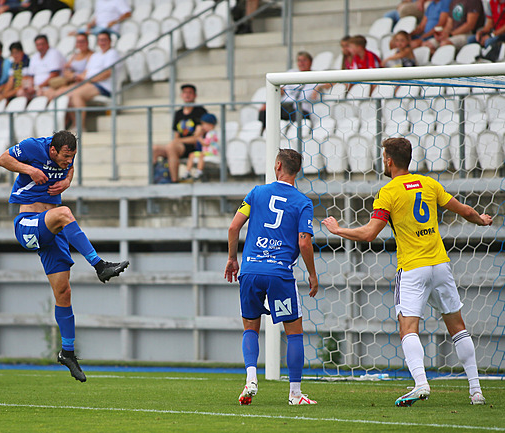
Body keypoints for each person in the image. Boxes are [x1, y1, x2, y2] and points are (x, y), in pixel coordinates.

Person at [321, 137, 491, 407]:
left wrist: (338, 229)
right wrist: (481, 220)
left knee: (408, 328)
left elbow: (369, 233)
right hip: (440, 265)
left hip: (413, 268)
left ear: (388, 160)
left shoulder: (389, 192)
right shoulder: (429, 183)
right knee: (458, 327)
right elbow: (465, 210)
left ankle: (421, 384)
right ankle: (476, 390)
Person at [0, 130, 129, 382]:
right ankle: (100, 265)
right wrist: (30, 170)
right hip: (27, 223)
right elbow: (3, 159)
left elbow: (69, 170)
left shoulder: (66, 156)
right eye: (66, 157)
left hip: (51, 230)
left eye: (73, 157)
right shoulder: (34, 147)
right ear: (54, 151)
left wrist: (68, 181)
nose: (69, 161)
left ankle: (67, 352)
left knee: (64, 292)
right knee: (65, 212)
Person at [225, 148, 319, 406]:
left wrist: (233, 259)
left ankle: (251, 379)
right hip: (279, 273)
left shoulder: (256, 193)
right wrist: (312, 274)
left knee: (250, 327)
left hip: (251, 270)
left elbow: (234, 227)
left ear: (277, 166)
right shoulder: (302, 202)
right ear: (296, 171)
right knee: (294, 333)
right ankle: (295, 394)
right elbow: (304, 244)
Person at [151, 83, 207, 183]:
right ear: (181, 95)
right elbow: (176, 134)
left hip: (193, 147)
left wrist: (177, 141)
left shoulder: (200, 111)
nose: (187, 95)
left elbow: (197, 138)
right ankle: (156, 179)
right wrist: (176, 141)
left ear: (195, 95)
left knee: (172, 147)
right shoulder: (178, 113)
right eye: (185, 92)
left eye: (190, 92)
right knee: (155, 149)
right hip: (179, 146)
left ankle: (174, 181)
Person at [66, 31, 120, 130]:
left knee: (77, 94)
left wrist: (89, 80)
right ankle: (74, 124)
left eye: (104, 40)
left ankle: (80, 127)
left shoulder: (113, 53)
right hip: (90, 83)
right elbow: (87, 71)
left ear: (110, 41)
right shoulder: (96, 55)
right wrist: (79, 77)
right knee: (69, 94)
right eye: (100, 40)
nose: (102, 42)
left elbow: (107, 73)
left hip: (104, 86)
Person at [257, 52, 319, 131]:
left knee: (300, 118)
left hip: (301, 109)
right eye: (299, 61)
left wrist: (319, 88)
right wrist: (268, 102)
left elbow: (331, 82)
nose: (301, 63)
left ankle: (299, 136)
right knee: (265, 112)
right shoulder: (291, 73)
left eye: (304, 60)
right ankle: (264, 134)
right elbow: (280, 89)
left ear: (311, 62)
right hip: (286, 106)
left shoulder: (317, 76)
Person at [43, 31, 94, 101]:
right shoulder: (75, 55)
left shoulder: (91, 55)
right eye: (78, 42)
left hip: (81, 82)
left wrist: (73, 75)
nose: (80, 44)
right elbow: (66, 70)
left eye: (82, 41)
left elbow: (87, 73)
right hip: (70, 81)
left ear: (87, 42)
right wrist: (72, 75)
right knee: (48, 92)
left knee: (59, 93)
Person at [18, 34, 66, 100]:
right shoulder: (34, 57)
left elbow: (54, 75)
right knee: (20, 93)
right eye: (38, 45)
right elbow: (31, 76)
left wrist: (37, 87)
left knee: (41, 93)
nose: (40, 47)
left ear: (47, 44)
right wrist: (30, 87)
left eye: (42, 44)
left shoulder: (54, 53)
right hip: (36, 87)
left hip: (51, 86)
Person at [179, 112, 218, 183]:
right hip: (205, 152)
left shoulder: (212, 133)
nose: (202, 127)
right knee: (191, 155)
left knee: (201, 155)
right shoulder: (207, 134)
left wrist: (198, 137)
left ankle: (199, 171)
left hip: (211, 152)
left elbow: (206, 144)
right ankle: (187, 172)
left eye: (204, 124)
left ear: (210, 125)